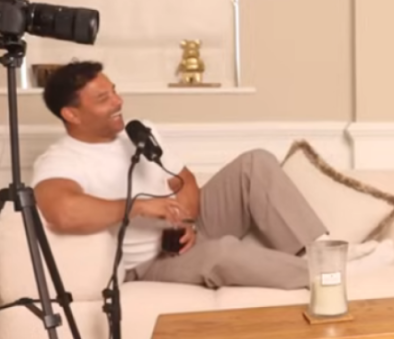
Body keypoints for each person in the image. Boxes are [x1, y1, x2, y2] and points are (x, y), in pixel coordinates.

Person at [31, 61, 327, 290]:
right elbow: (63, 211)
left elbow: (184, 180)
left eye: (115, 91)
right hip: (151, 261)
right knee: (222, 254)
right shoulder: (60, 160)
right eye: (103, 98)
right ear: (71, 114)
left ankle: (321, 255)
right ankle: (328, 277)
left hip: (184, 231)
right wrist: (138, 206)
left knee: (255, 162)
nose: (118, 102)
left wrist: (186, 221)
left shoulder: (138, 131)